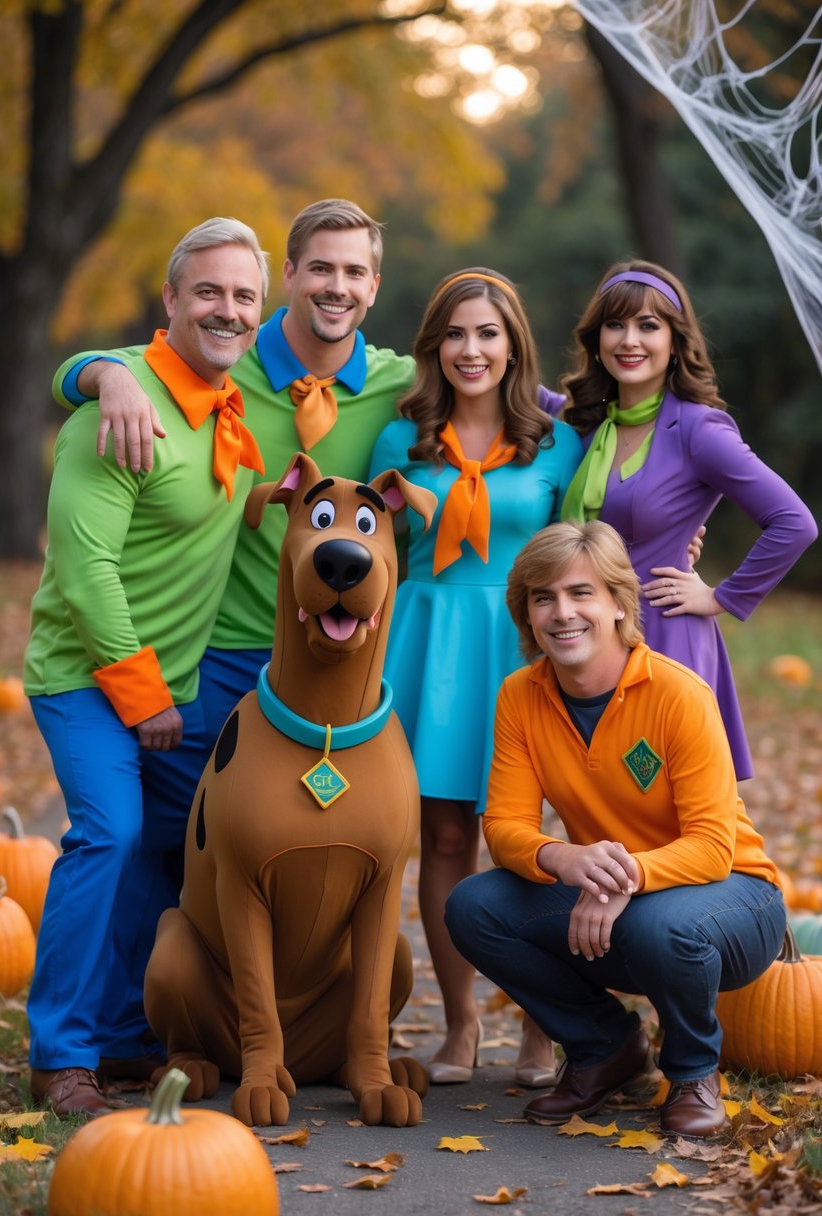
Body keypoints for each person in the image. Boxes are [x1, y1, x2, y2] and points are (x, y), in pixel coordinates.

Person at [24, 218, 268, 1116]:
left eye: (244, 296)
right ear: (169, 301)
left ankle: (129, 1032)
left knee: (173, 843)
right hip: (87, 678)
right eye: (207, 290)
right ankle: (62, 1054)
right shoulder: (114, 410)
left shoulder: (227, 407)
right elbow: (85, 574)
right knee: (111, 834)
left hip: (175, 684)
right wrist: (101, 370)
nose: (227, 308)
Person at [445, 520, 787, 1138]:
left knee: (664, 924)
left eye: (581, 593)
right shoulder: (520, 697)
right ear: (525, 614)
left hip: (736, 899)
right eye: (542, 598)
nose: (561, 613)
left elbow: (713, 848)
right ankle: (605, 1049)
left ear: (619, 604)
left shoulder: (679, 694)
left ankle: (691, 1074)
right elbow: (504, 826)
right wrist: (562, 859)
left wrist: (620, 876)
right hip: (616, 894)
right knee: (474, 906)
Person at [53, 199, 416, 749]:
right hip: (221, 653)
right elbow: (105, 370)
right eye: (320, 268)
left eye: (354, 273)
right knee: (194, 827)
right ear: (289, 275)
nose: (336, 286)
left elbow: (496, 384)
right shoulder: (224, 354)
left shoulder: (403, 386)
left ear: (374, 287)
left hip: (336, 648)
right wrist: (104, 374)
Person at [369, 270, 583, 1086]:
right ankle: (459, 1026)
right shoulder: (401, 442)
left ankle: (540, 1030)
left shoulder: (556, 444)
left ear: (512, 345)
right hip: (424, 652)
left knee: (528, 845)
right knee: (447, 839)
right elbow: (369, 548)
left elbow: (585, 553)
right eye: (455, 334)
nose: (471, 349)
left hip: (523, 651)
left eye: (487, 334)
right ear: (434, 347)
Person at [558, 261, 818, 780]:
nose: (629, 340)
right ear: (597, 338)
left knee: (667, 806)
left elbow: (794, 522)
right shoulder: (585, 427)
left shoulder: (699, 429)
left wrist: (721, 597)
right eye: (616, 325)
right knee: (600, 803)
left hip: (665, 638)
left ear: (676, 342)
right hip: (588, 639)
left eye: (648, 326)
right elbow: (509, 395)